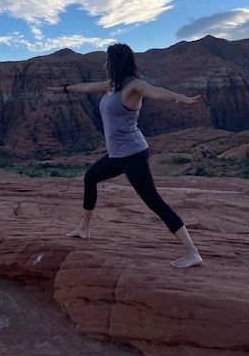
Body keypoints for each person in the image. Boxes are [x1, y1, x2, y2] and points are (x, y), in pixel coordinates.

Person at [49, 43, 203, 269]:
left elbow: (154, 91)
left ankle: (192, 252)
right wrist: (64, 89)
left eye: (107, 60)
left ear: (114, 62)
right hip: (116, 155)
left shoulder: (134, 86)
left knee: (153, 201)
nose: (105, 63)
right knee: (90, 178)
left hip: (133, 154)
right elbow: (88, 87)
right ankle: (84, 229)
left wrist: (178, 97)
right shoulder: (113, 85)